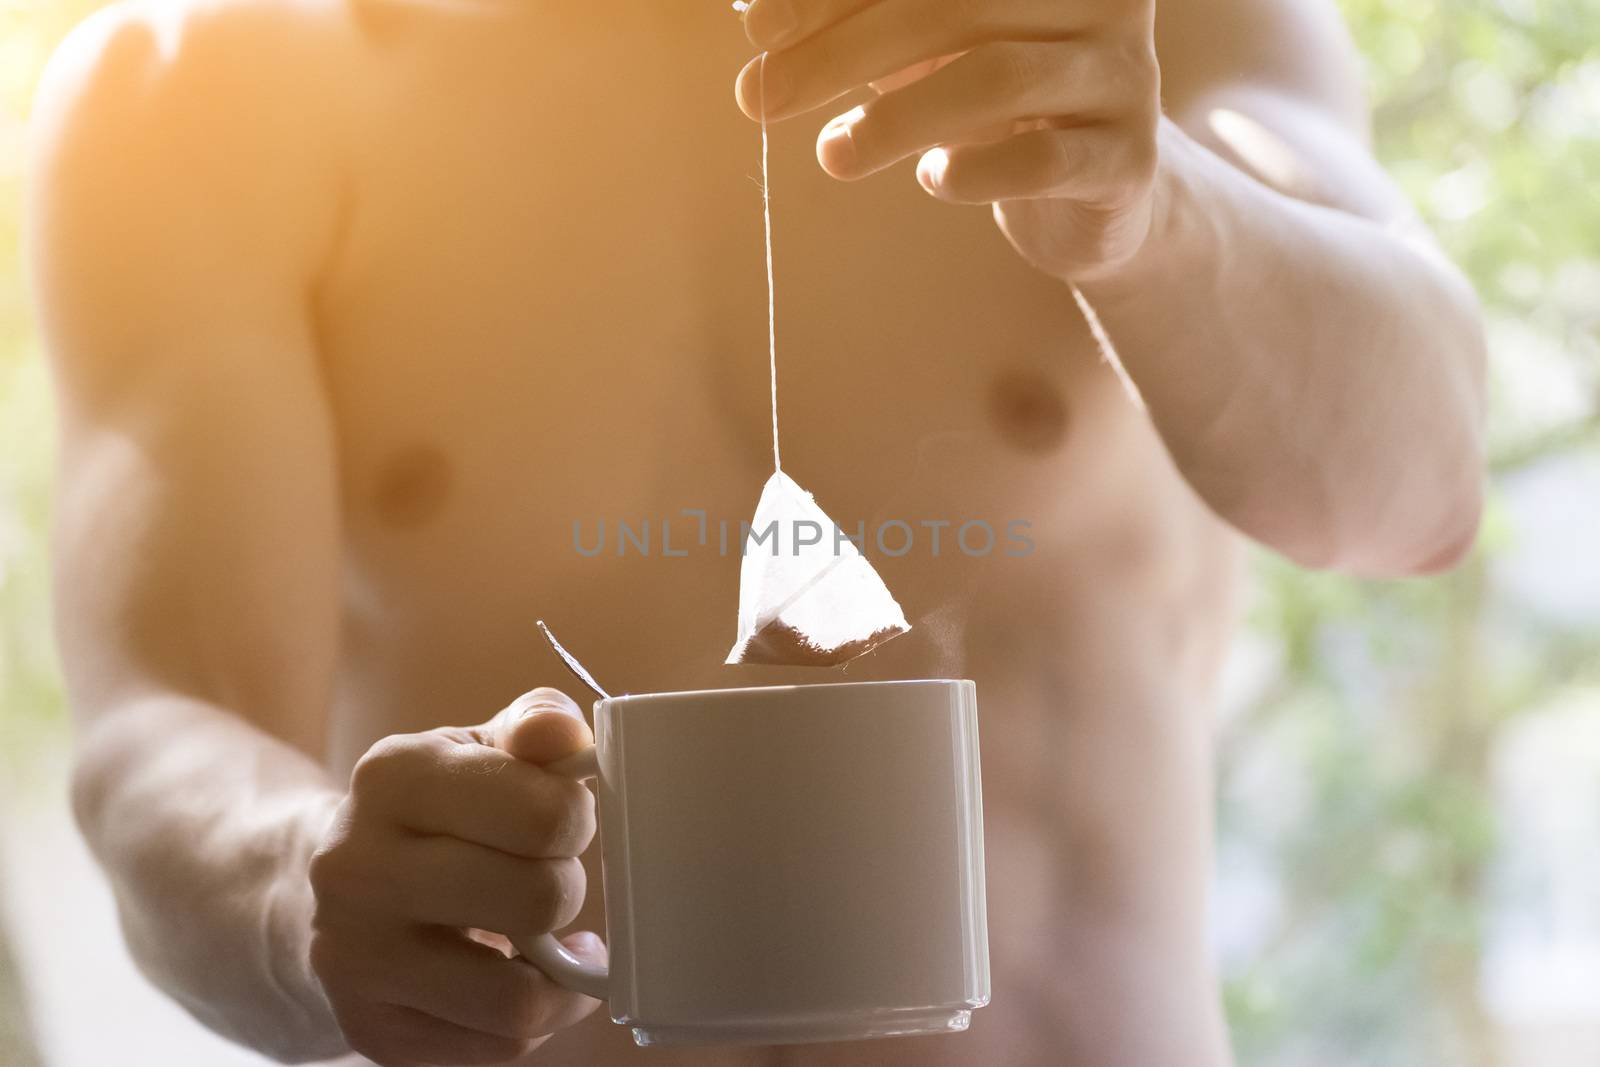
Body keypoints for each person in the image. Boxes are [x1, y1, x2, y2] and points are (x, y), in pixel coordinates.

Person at [25, 0, 1485, 1063]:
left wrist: (1153, 208)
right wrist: (304, 895)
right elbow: (160, 738)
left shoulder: (1123, 30)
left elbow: (1414, 487)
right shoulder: (207, 84)